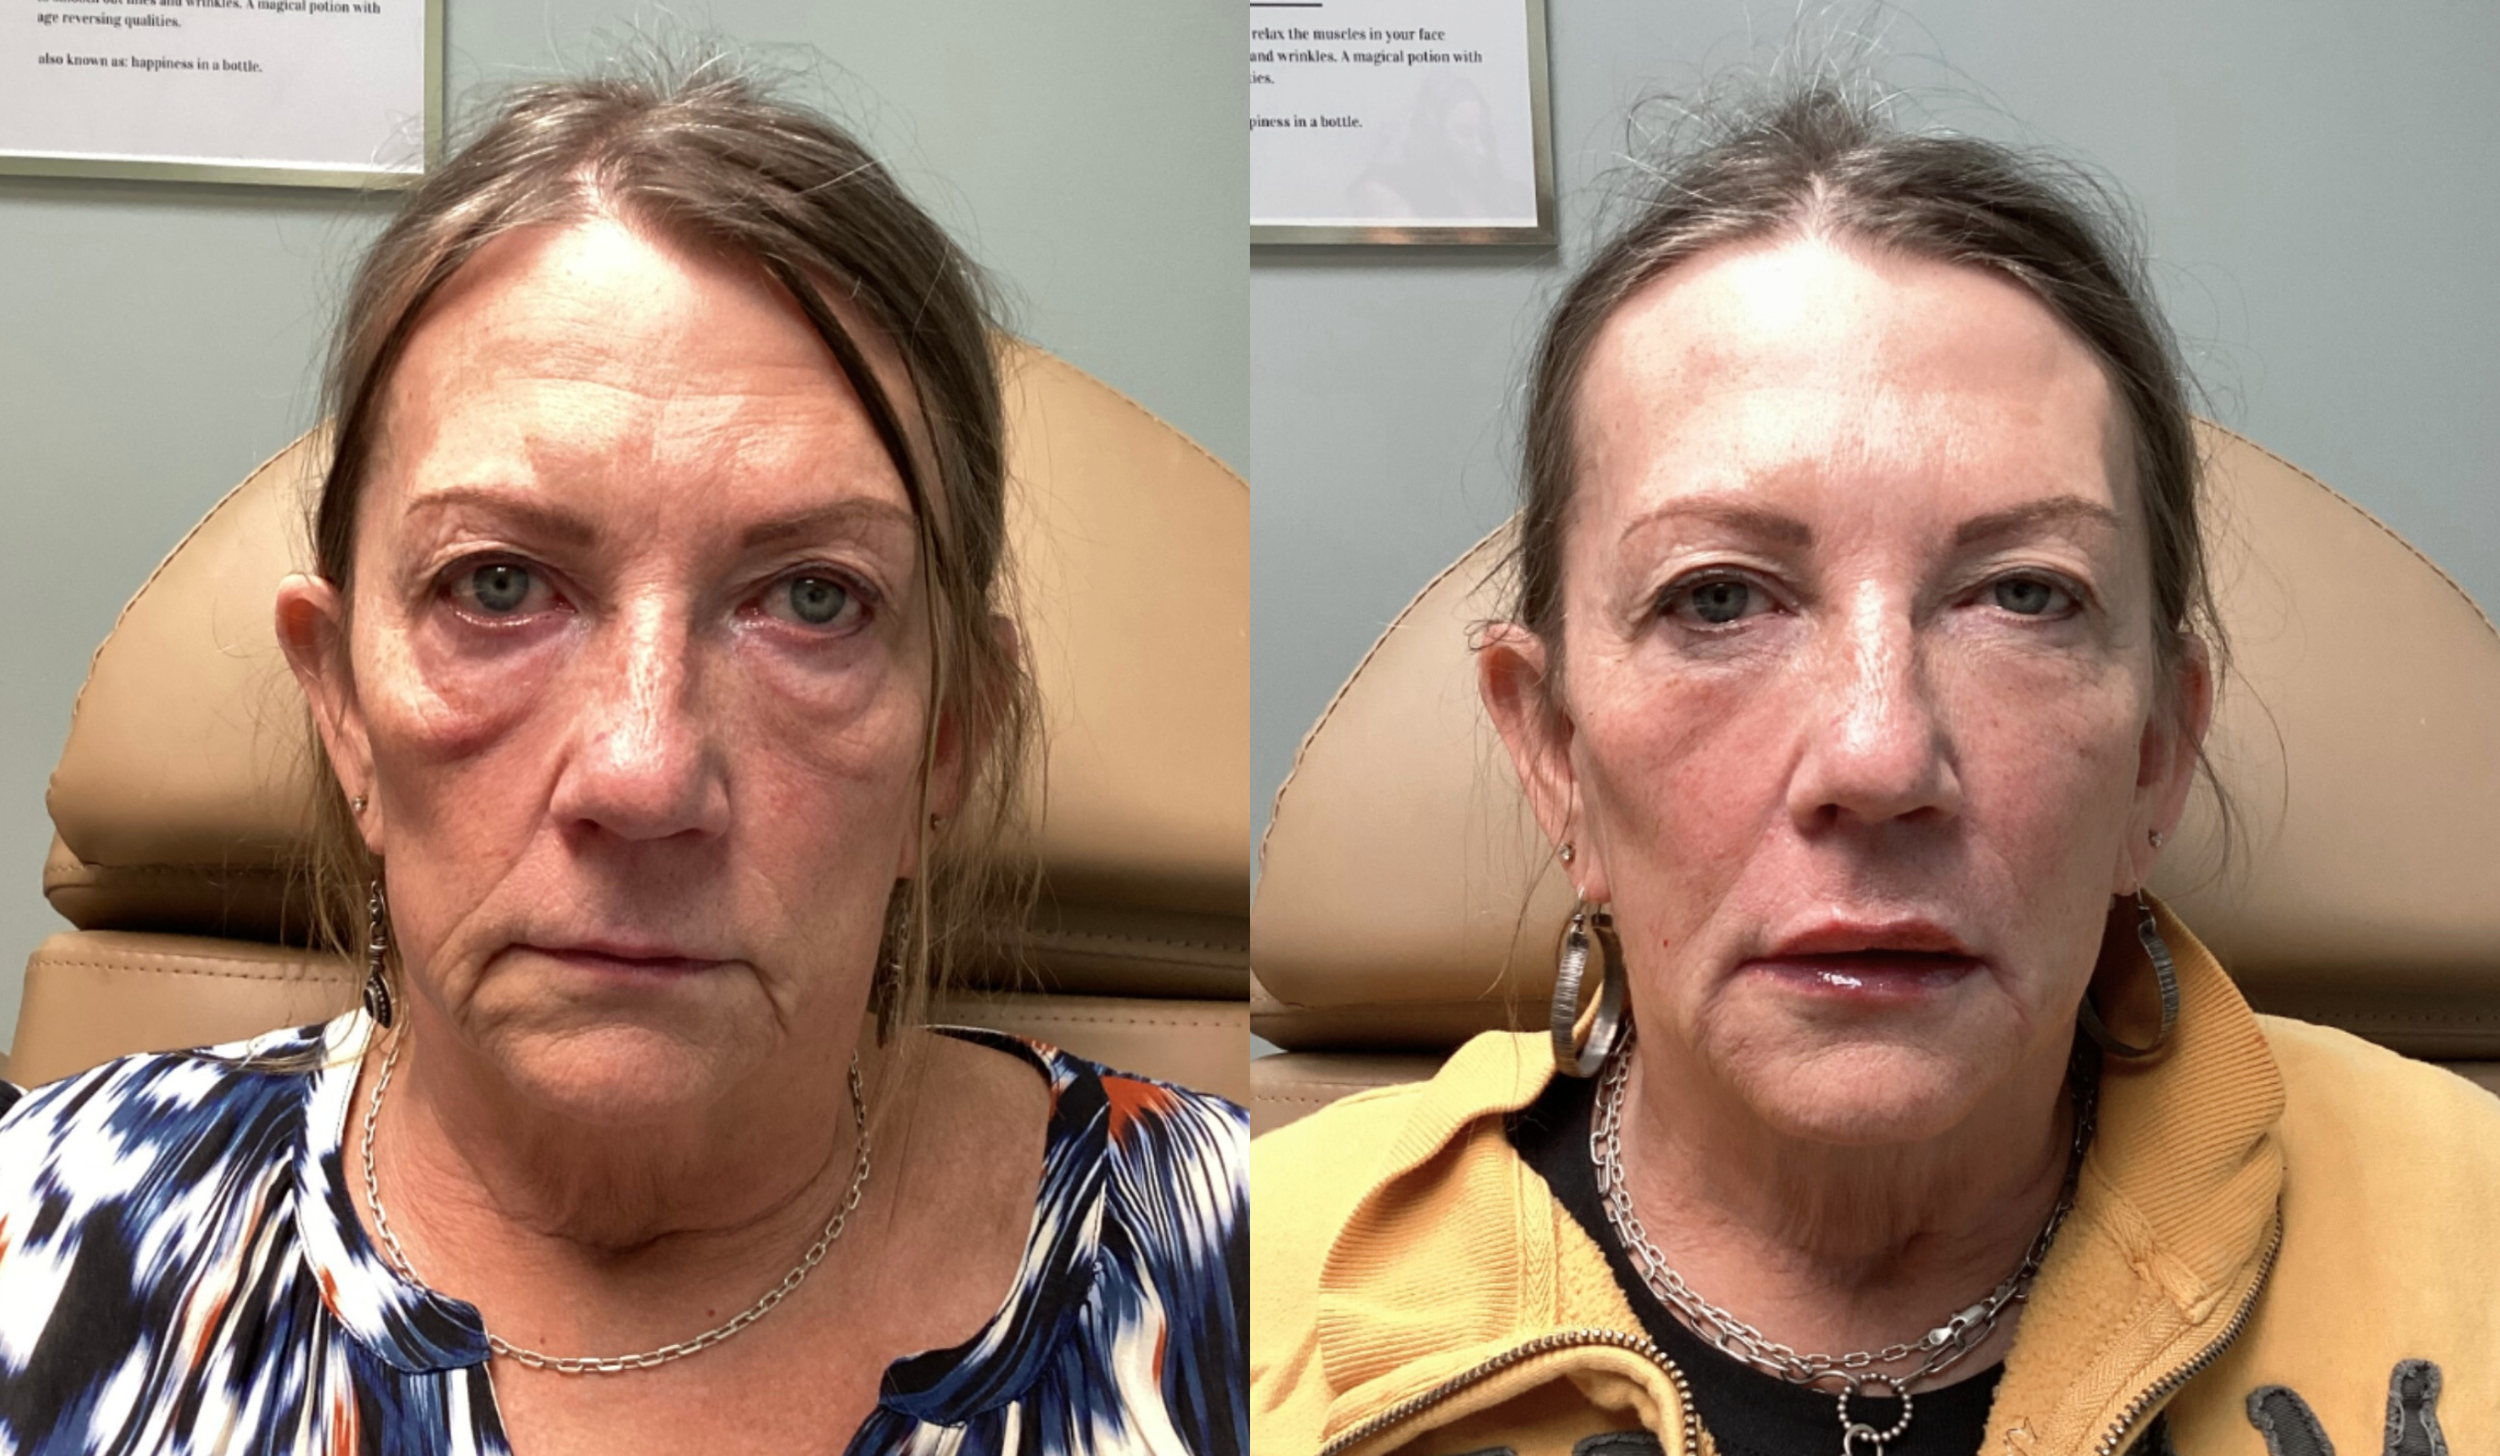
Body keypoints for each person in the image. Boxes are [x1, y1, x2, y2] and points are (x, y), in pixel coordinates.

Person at [0, 61, 1246, 1455]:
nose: (644, 775)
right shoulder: (37, 1240)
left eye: (814, 599)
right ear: (343, 710)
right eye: (496, 587)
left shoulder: (1257, 1272)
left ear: (947, 741)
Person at [1250, 85, 2500, 1456]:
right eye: (1719, 600)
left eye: (2024, 596)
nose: (1878, 753)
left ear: (2158, 756)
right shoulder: (1233, 1289)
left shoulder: (2474, 1225)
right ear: (1554, 754)